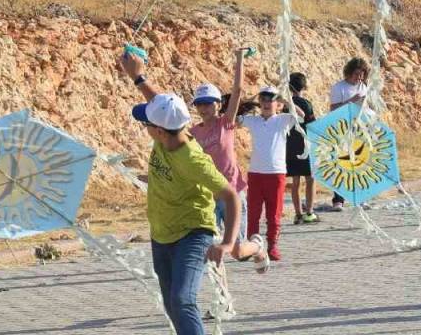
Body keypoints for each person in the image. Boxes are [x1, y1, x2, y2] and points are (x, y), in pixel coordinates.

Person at [120, 52, 243, 335]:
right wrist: (137, 76)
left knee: (182, 300)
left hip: (192, 232)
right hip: (161, 233)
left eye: (146, 124)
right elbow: (160, 104)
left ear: (160, 131)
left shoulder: (193, 159)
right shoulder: (171, 130)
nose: (144, 127)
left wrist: (226, 243)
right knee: (171, 304)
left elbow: (230, 195)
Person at [188, 51, 269, 269]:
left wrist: (240, 58)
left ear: (218, 104)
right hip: (209, 195)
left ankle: (258, 247)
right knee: (212, 249)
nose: (204, 108)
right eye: (200, 104)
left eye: (208, 103)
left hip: (232, 192)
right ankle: (223, 298)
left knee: (237, 251)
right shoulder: (193, 133)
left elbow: (238, 90)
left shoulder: (226, 123)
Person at [239, 86, 301, 261]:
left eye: (271, 100)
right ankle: (251, 246)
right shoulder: (253, 120)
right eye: (263, 100)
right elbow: (235, 120)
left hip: (276, 173)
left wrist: (285, 99)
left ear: (278, 104)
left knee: (273, 213)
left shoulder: (282, 120)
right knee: (253, 213)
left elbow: (301, 115)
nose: (266, 103)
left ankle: (272, 245)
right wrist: (249, 99)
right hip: (256, 173)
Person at [326, 58, 370, 211]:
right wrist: (352, 100)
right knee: (341, 165)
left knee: (360, 164)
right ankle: (338, 199)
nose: (359, 78)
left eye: (362, 75)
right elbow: (333, 109)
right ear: (349, 72)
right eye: (357, 74)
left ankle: (361, 197)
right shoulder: (339, 88)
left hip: (359, 128)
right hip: (342, 129)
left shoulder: (364, 87)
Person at [287, 72, 320, 225]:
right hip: (306, 146)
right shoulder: (306, 104)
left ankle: (298, 213)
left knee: (295, 181)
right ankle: (310, 212)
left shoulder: (285, 105)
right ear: (304, 86)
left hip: (290, 146)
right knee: (310, 179)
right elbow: (312, 124)